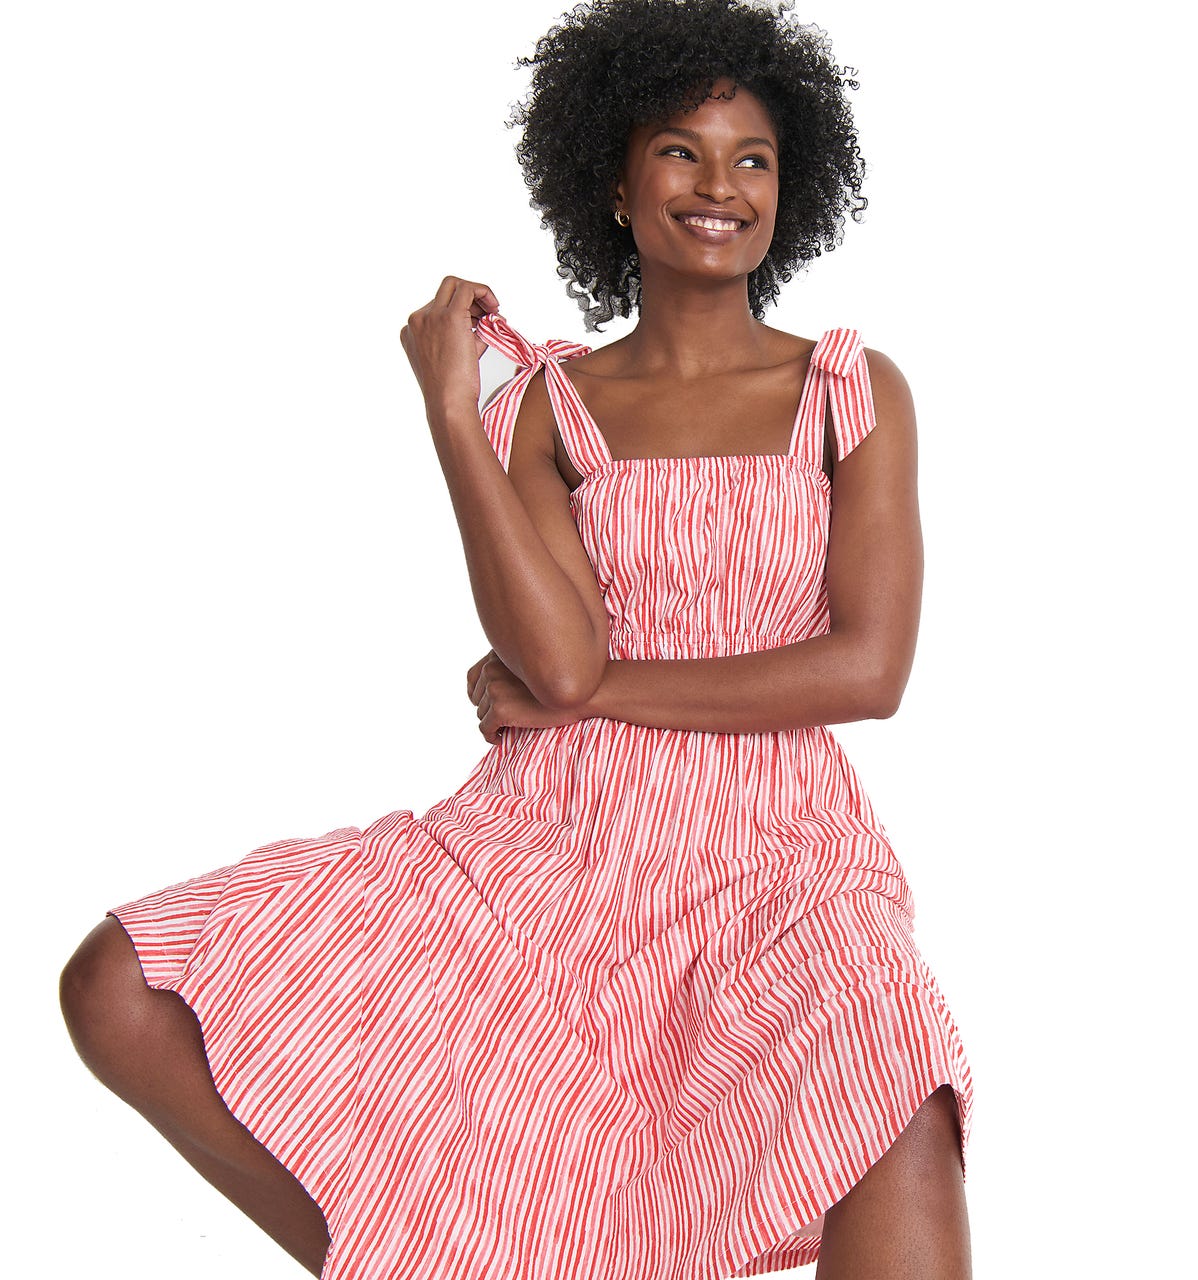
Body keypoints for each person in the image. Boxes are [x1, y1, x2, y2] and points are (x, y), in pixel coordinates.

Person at [60, 1, 975, 1277]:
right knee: (118, 984)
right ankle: (414, 1256)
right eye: (680, 151)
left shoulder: (848, 391)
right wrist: (454, 415)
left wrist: (596, 689)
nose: (718, 186)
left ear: (790, 188)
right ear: (611, 176)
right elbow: (553, 659)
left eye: (752, 158)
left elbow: (866, 668)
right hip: (556, 838)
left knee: (897, 1078)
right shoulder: (550, 403)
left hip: (781, 849)